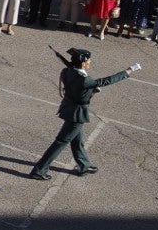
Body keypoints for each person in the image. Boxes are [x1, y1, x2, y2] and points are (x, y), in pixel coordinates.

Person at [28, 50, 139, 180]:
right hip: (76, 114)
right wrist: (128, 70)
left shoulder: (68, 71)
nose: (90, 62)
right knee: (61, 142)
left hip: (69, 108)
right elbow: (106, 81)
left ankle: (84, 166)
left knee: (77, 141)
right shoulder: (84, 80)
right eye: (88, 60)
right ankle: (39, 170)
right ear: (83, 63)